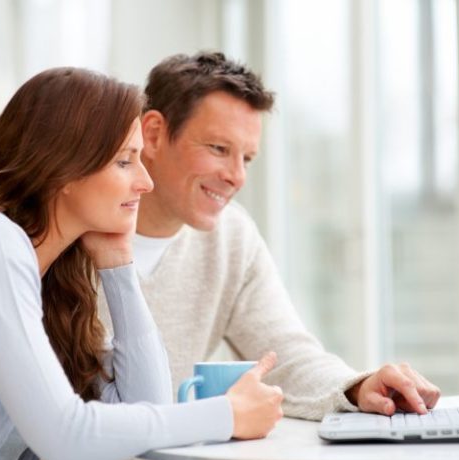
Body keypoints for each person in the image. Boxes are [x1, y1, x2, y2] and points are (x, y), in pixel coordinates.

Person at [0, 67, 283, 460]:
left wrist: (119, 266)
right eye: (125, 161)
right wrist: (225, 414)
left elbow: (146, 409)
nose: (145, 182)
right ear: (63, 168)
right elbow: (66, 437)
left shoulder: (49, 275)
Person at [102, 51, 441, 421]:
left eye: (246, 158)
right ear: (153, 134)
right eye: (219, 149)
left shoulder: (232, 236)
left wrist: (358, 387)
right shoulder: (73, 230)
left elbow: (287, 355)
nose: (236, 177)